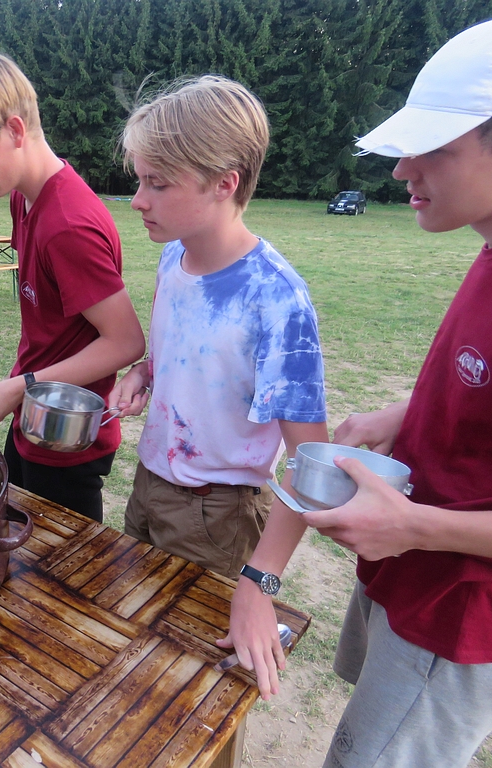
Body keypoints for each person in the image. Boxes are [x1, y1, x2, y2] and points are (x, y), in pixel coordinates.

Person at [227, 10, 492, 768]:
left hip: (468, 609)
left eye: (433, 149)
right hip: (414, 571)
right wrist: (405, 412)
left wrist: (418, 526)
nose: (399, 171)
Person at [110, 76, 327, 580]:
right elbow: (190, 355)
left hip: (216, 514)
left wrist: (261, 578)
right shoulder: (173, 257)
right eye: (140, 181)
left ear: (225, 183)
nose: (138, 200)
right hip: (148, 484)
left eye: (158, 183)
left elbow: (310, 458)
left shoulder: (277, 298)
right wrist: (144, 373)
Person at [0, 50, 145, 522]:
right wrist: (14, 389)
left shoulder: (68, 224)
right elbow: (50, 325)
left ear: (15, 130)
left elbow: (125, 342)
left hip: (65, 438)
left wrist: (20, 386)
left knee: (62, 561)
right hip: (30, 414)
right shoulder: (23, 199)